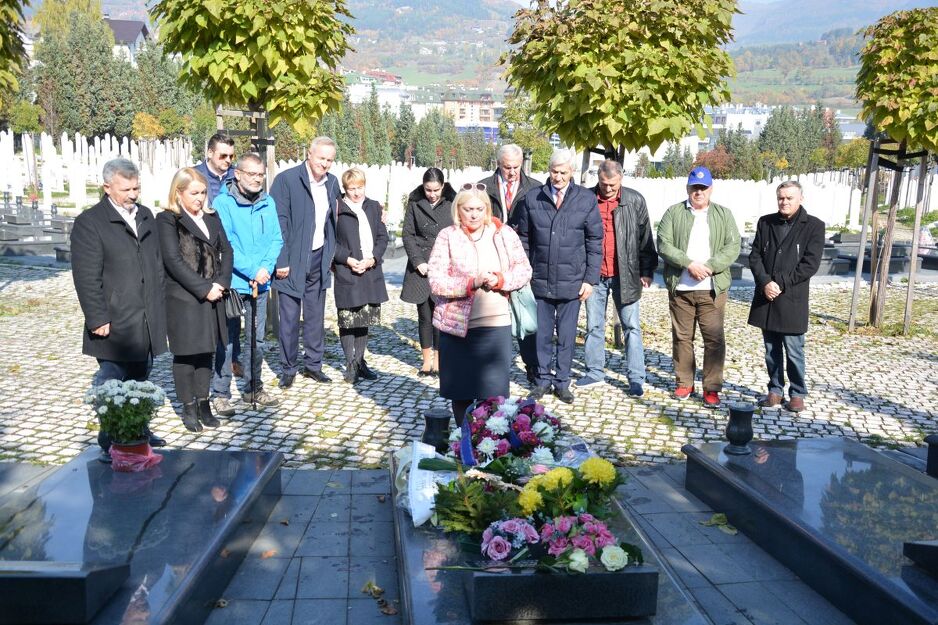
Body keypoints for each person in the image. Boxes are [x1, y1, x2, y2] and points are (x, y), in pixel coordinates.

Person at [71, 158, 168, 459]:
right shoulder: (90, 222)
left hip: (145, 315)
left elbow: (156, 264)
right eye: (126, 189)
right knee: (112, 379)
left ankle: (138, 429)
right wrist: (97, 317)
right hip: (114, 318)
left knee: (141, 377)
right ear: (107, 187)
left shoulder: (146, 215)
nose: (133, 195)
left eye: (136, 188)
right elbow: (86, 276)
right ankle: (109, 438)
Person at [428, 185, 532, 424]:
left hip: (495, 325)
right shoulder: (448, 236)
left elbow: (524, 270)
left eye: (479, 209)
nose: (474, 214)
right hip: (456, 327)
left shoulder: (503, 234)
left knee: (493, 394)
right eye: (468, 209)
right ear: (458, 210)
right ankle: (463, 437)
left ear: (486, 209)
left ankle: (490, 439)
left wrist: (500, 279)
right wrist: (470, 283)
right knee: (461, 392)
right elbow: (436, 280)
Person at [512, 148, 603, 404]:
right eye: (554, 172)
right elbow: (523, 239)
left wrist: (589, 279)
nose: (558, 177)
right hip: (539, 279)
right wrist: (525, 271)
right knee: (541, 335)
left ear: (572, 172)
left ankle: (562, 381)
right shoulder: (533, 198)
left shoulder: (585, 199)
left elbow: (595, 241)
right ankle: (542, 379)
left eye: (563, 172)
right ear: (549, 171)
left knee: (566, 335)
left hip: (572, 281)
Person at [657, 166, 741, 408]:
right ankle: (685, 382)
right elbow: (663, 243)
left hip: (712, 289)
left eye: (703, 187)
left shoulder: (724, 214)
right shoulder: (674, 212)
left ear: (711, 189)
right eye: (695, 187)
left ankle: (711, 388)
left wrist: (711, 266)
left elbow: (732, 246)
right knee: (682, 337)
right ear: (688, 188)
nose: (699, 192)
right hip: (681, 288)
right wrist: (688, 264)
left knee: (714, 339)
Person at [156, 168, 233, 431]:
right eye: (194, 193)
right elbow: (173, 260)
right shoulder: (168, 219)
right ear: (178, 193)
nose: (200, 198)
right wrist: (203, 288)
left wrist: (221, 283)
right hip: (184, 298)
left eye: (203, 192)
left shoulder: (211, 217)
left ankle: (203, 403)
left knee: (206, 352)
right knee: (187, 354)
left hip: (214, 295)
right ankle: (188, 406)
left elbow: (227, 251)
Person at [577, 159, 657, 396]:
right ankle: (594, 372)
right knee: (594, 325)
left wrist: (647, 270)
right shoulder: (586, 199)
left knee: (631, 326)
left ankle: (636, 378)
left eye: (613, 184)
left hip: (626, 273)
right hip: (594, 274)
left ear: (621, 178)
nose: (608, 188)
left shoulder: (635, 200)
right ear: (598, 178)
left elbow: (645, 238)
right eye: (604, 183)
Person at [211, 153, 283, 410]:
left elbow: (276, 239)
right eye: (251, 174)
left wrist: (265, 269)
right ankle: (221, 393)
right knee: (227, 340)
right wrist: (253, 270)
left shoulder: (268, 202)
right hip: (232, 283)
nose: (257, 179)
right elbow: (226, 243)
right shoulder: (223, 203)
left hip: (260, 284)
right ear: (238, 174)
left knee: (257, 340)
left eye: (260, 174)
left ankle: (253, 388)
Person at [748, 180, 824, 412]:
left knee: (794, 351)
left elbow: (810, 264)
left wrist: (779, 284)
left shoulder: (814, 226)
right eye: (781, 198)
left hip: (792, 297)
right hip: (767, 297)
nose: (784, 202)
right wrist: (765, 282)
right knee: (771, 350)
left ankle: (797, 393)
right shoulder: (765, 222)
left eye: (789, 198)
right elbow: (755, 256)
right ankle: (775, 390)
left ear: (801, 198)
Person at [271, 136, 340, 389]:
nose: (325, 164)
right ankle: (288, 368)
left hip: (319, 258)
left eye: (329, 160)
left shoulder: (332, 183)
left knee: (315, 316)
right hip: (291, 259)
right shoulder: (287, 180)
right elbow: (278, 223)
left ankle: (313, 365)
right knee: (289, 319)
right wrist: (281, 260)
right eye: (321, 158)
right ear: (309, 154)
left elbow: (336, 219)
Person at [479, 143, 540, 383]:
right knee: (492, 316)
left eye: (516, 167)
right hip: (491, 257)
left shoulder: (534, 188)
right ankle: (490, 367)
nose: (512, 172)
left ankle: (532, 366)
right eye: (507, 167)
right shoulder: (484, 187)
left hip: (522, 258)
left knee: (525, 312)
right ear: (498, 164)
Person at [333, 168, 389, 384]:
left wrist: (373, 259)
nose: (356, 192)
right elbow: (331, 241)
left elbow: (382, 237)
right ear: (345, 189)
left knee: (363, 319)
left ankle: (360, 361)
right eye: (351, 188)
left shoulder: (373, 206)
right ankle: (350, 363)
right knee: (348, 320)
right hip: (348, 269)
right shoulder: (337, 208)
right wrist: (346, 259)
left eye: (360, 187)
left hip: (370, 269)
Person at [194, 133, 242, 377]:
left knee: (231, 308)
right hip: (201, 251)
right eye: (223, 155)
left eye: (231, 156)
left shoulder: (236, 176)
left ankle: (232, 356)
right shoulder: (194, 176)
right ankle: (202, 356)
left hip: (229, 250)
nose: (228, 160)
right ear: (210, 153)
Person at [401, 167, 456, 376]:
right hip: (421, 267)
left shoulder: (452, 202)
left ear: (443, 186)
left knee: (440, 315)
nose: (432, 194)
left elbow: (458, 233)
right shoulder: (415, 202)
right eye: (428, 190)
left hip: (444, 266)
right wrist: (418, 261)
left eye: (436, 190)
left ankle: (439, 361)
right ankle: (426, 361)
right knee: (424, 315)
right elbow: (408, 234)